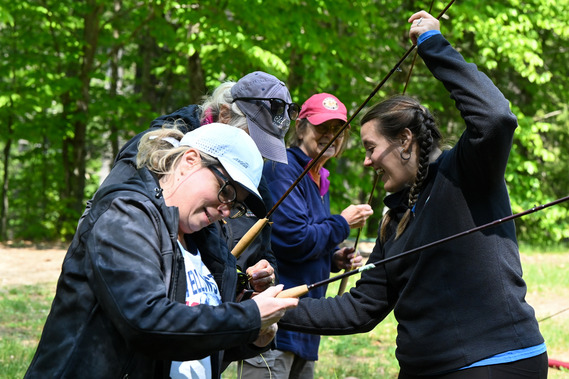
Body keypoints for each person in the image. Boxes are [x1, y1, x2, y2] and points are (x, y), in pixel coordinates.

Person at [277, 11, 548, 379]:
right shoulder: (397, 218)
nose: (368, 161)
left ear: (405, 141)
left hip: (495, 365)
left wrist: (434, 45)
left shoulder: (465, 173)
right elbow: (361, 307)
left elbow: (496, 116)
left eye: (372, 148)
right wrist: (273, 309)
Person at [25, 123, 298, 379]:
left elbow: (195, 339)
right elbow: (146, 322)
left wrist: (254, 337)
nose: (226, 209)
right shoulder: (126, 216)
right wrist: (249, 317)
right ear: (189, 161)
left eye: (236, 204)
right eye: (226, 192)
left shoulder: (206, 241)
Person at [105, 71, 300, 295]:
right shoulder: (156, 151)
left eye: (265, 150)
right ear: (225, 115)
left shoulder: (256, 183)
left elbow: (262, 251)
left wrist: (256, 278)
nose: (255, 155)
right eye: (252, 140)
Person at [240, 93, 374, 378]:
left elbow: (307, 239)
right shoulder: (284, 169)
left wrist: (335, 258)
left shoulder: (319, 177)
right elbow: (293, 240)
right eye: (321, 127)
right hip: (275, 327)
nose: (330, 135)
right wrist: (342, 222)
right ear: (301, 128)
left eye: (338, 129)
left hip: (306, 327)